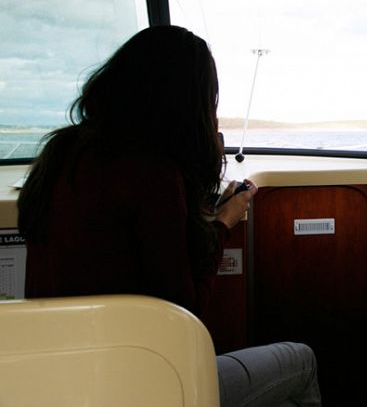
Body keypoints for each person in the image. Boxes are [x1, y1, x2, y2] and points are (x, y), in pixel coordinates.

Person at [17, 25, 321, 407]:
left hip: (64, 382)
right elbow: (183, 314)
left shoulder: (62, 152)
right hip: (142, 386)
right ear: (187, 103)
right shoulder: (154, 174)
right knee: (300, 361)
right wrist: (222, 223)